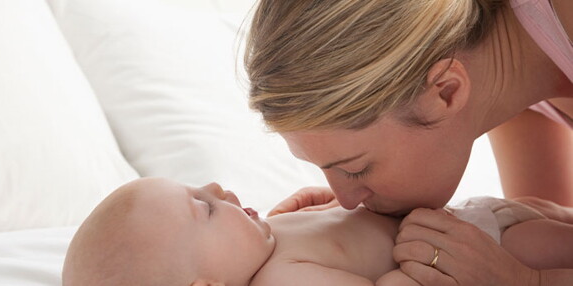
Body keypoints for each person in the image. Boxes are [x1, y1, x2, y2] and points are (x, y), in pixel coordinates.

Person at [243, 0, 572, 285]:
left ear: (446, 91)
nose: (344, 201)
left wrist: (525, 282)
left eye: (357, 168)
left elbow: (536, 269)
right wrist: (366, 239)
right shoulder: (510, 77)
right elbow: (555, 242)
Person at [62, 177, 573, 285]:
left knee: (557, 213)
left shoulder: (265, 241)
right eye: (206, 209)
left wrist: (329, 207)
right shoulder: (280, 282)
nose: (222, 189)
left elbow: (342, 230)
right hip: (484, 251)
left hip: (472, 215)